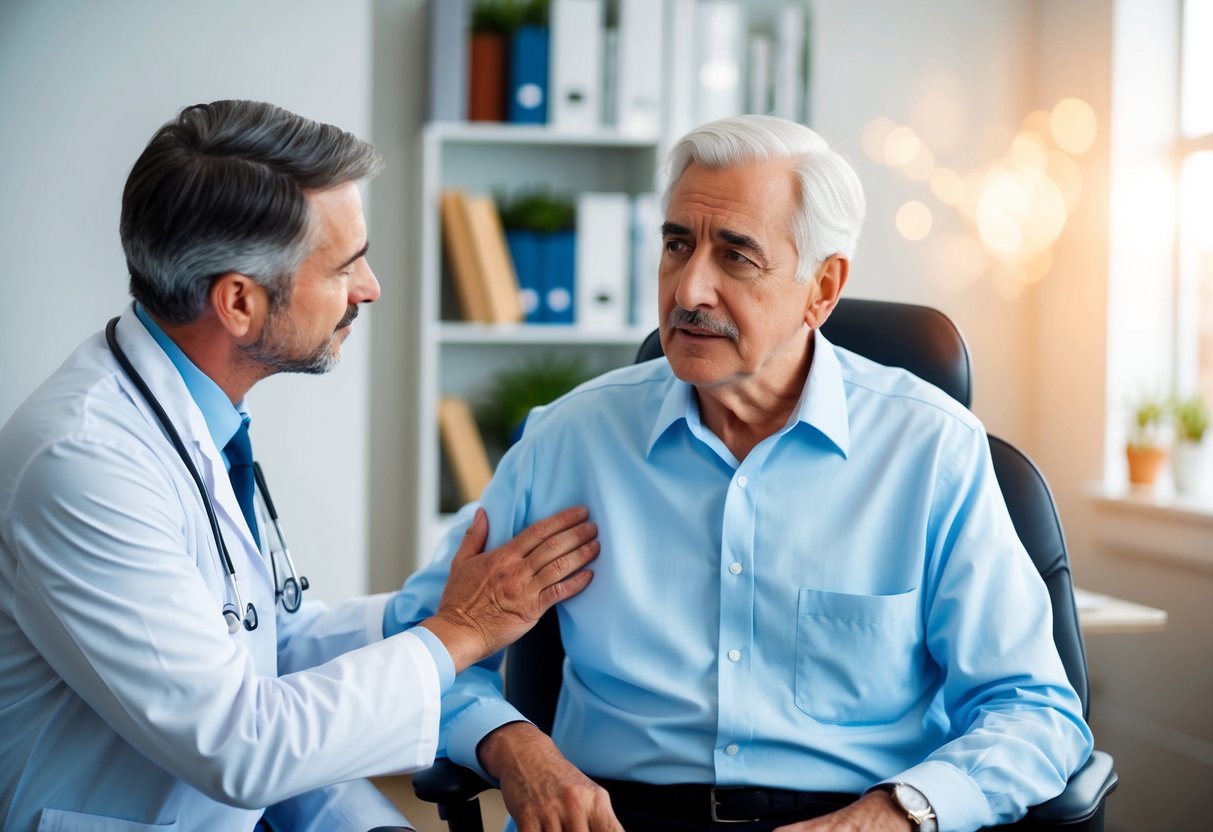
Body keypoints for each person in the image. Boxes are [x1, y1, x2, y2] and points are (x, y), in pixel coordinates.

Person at [389, 114, 1094, 832]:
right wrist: (513, 750)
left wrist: (896, 814)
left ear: (821, 288)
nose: (689, 289)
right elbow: (419, 642)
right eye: (676, 245)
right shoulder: (567, 441)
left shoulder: (930, 451)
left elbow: (1033, 710)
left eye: (735, 257)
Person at [0, 100, 600, 832]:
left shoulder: (199, 418)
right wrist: (462, 632)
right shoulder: (85, 464)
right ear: (240, 304)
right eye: (345, 266)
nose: (369, 288)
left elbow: (267, 647)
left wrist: (422, 615)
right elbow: (243, 743)